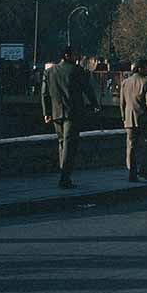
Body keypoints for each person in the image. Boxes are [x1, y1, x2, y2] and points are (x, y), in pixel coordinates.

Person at [41, 46, 101, 189]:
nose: (77, 58)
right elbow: (87, 88)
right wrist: (95, 104)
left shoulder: (49, 72)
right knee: (70, 145)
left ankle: (63, 173)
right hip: (73, 112)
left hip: (56, 113)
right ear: (67, 55)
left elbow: (44, 94)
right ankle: (65, 177)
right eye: (75, 55)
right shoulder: (77, 70)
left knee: (62, 143)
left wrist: (46, 112)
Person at [119, 58, 147, 183]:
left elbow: (122, 103)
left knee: (131, 147)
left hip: (129, 119)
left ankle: (132, 172)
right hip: (144, 119)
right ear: (141, 68)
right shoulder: (146, 82)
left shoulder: (125, 82)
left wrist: (124, 118)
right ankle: (143, 170)